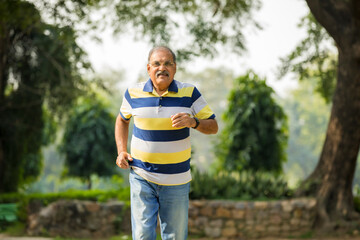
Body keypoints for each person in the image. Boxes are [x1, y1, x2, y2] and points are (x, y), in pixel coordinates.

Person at [115, 46, 218, 240]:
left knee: (175, 237)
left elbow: (213, 126)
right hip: (141, 175)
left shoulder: (190, 93)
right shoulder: (133, 93)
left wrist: (192, 122)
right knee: (143, 235)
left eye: (167, 63)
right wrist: (121, 151)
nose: (162, 68)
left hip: (176, 180)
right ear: (148, 68)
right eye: (157, 64)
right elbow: (122, 119)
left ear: (175, 68)